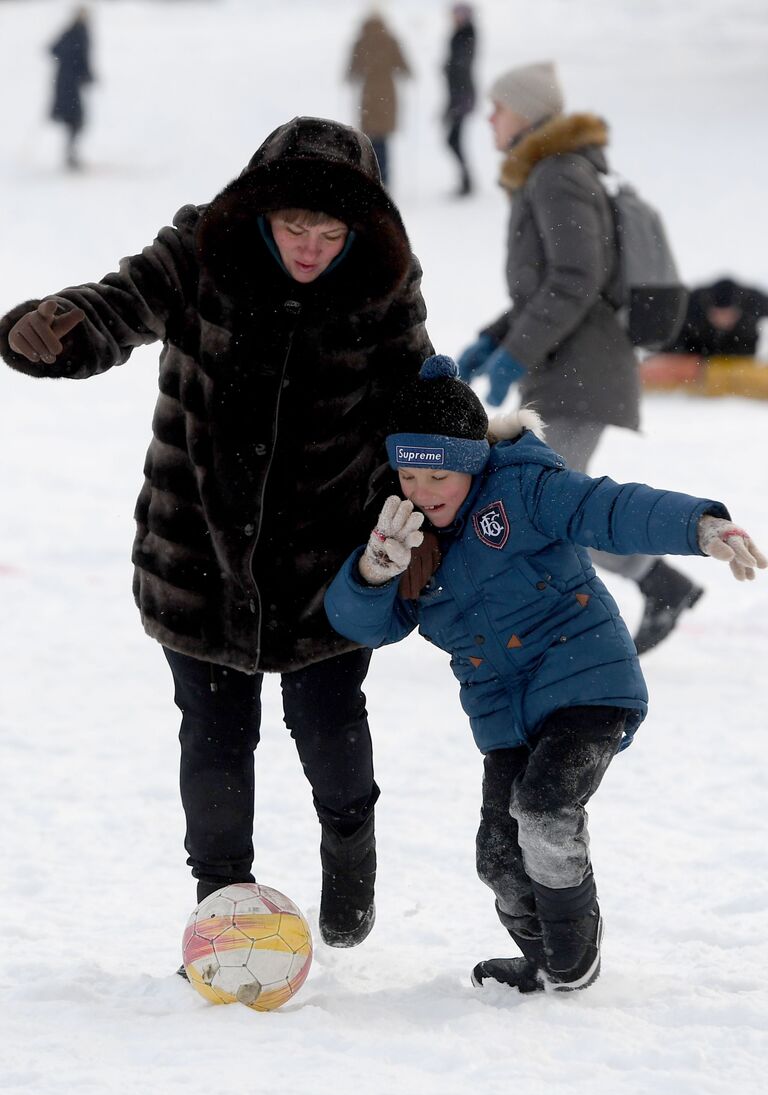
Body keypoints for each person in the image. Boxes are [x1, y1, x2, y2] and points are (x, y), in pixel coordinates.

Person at [0, 116, 433, 951]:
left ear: (359, 229)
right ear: (261, 214)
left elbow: (417, 395)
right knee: (214, 733)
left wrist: (465, 454)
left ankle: (350, 843)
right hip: (198, 551)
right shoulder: (203, 248)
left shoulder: (383, 282)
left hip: (329, 558)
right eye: (293, 227)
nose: (309, 248)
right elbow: (115, 306)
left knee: (329, 719)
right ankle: (223, 908)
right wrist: (53, 331)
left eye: (329, 232)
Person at [324, 355, 766, 993]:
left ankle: (572, 956)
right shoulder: (407, 534)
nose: (422, 492)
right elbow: (367, 626)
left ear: (473, 461)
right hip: (505, 717)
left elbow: (612, 508)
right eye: (410, 475)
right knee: (498, 860)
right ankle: (547, 958)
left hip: (587, 682)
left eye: (439, 474)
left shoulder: (525, 490)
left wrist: (699, 526)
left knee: (543, 808)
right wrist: (372, 574)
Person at [456, 60, 704, 656]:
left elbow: (574, 280)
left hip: (582, 373)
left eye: (499, 107)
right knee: (546, 503)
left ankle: (616, 602)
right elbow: (546, 286)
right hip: (567, 369)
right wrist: (496, 339)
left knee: (544, 507)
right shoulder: (550, 171)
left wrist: (514, 354)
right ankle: (658, 583)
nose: (489, 118)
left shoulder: (557, 173)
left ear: (526, 112)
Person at [345, 11, 411, 188]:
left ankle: (372, 179)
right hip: (387, 98)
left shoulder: (361, 42)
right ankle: (385, 180)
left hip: (367, 98)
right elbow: (405, 68)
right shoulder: (390, 40)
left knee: (368, 142)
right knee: (383, 141)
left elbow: (351, 72)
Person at [668, 276, 768, 357]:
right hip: (697, 359)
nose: (723, 321)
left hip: (742, 358)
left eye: (729, 315)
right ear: (708, 310)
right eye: (718, 315)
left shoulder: (754, 302)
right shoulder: (691, 306)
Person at [49, 6, 94, 170]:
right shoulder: (76, 32)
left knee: (75, 120)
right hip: (68, 84)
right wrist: (82, 72)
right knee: (75, 119)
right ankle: (70, 155)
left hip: (69, 82)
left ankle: (71, 154)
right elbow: (54, 49)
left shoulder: (76, 32)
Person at [442, 3, 477, 197]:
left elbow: (462, 64)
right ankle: (466, 180)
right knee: (454, 140)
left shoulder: (467, 34)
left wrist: (449, 67)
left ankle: (467, 181)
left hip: (462, 95)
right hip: (457, 94)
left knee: (454, 140)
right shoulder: (462, 34)